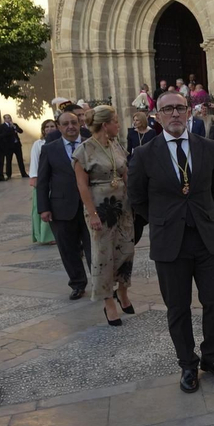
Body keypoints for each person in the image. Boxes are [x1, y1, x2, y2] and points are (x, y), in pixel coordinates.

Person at [128, 91, 214, 393]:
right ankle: (187, 363)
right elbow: (137, 198)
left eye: (179, 108)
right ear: (157, 116)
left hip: (206, 239)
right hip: (169, 242)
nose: (174, 114)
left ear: (188, 112)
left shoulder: (208, 147)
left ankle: (211, 357)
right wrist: (163, 219)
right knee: (177, 307)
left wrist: (200, 212)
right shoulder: (145, 154)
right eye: (167, 109)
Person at [72, 106, 136, 325]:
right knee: (103, 256)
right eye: (115, 121)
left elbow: (126, 173)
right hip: (100, 209)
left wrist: (135, 201)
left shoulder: (115, 145)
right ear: (105, 124)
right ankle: (108, 301)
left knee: (127, 250)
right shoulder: (84, 150)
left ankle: (123, 291)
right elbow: (82, 186)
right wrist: (93, 214)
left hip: (123, 208)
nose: (118, 125)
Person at [37, 109, 92, 300]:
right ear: (59, 127)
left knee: (94, 247)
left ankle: (102, 282)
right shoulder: (49, 149)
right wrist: (43, 208)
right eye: (66, 124)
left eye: (74, 123)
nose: (71, 127)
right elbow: (42, 181)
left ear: (80, 124)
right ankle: (77, 284)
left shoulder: (90, 143)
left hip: (90, 207)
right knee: (68, 249)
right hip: (61, 208)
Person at [26, 120, 58, 246]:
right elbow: (34, 161)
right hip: (42, 179)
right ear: (43, 129)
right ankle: (44, 236)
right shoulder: (38, 144)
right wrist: (34, 177)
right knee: (42, 206)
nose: (50, 129)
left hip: (55, 179)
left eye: (52, 126)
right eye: (47, 127)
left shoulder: (59, 143)